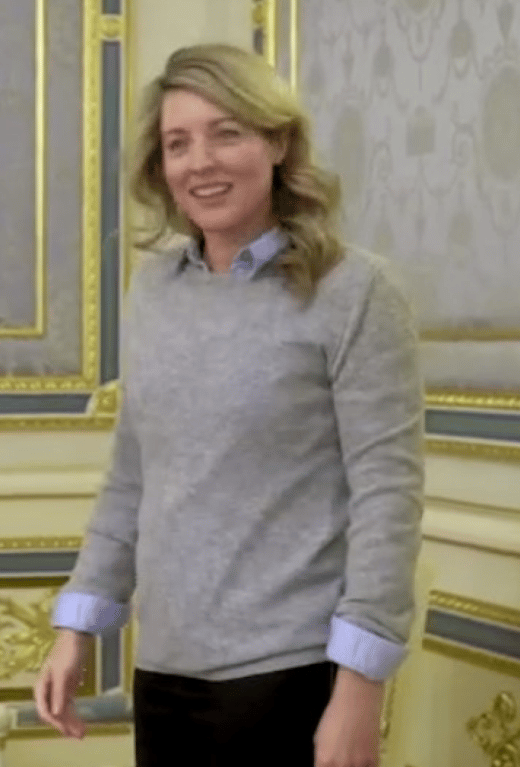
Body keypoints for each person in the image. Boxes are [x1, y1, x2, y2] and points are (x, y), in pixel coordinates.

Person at [33, 43, 424, 767]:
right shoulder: (154, 292)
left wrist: (360, 689)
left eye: (226, 133)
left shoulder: (355, 292)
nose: (200, 162)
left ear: (277, 142)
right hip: (165, 675)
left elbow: (387, 499)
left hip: (292, 677)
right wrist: (76, 628)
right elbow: (132, 478)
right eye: (177, 143)